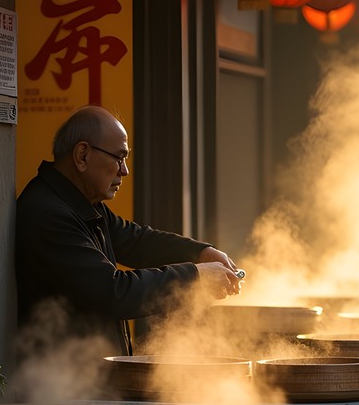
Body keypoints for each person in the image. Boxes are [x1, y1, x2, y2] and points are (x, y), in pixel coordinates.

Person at [16, 105, 244, 357]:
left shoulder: (80, 202)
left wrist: (201, 252)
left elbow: (137, 241)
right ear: (82, 155)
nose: (124, 170)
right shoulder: (49, 213)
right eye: (119, 157)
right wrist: (194, 277)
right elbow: (112, 292)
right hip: (59, 382)